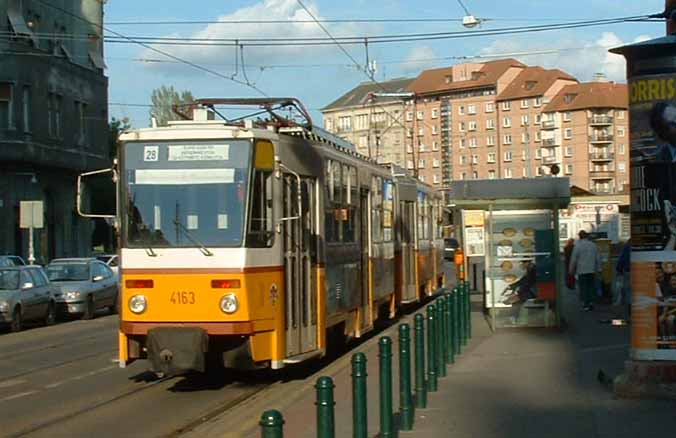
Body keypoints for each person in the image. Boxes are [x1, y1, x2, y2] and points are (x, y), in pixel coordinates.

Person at [569, 230, 602, 311]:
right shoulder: (593, 245)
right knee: (591, 287)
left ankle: (585, 304)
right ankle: (591, 303)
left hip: (582, 270)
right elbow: (598, 258)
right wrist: (599, 269)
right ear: (587, 236)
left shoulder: (577, 246)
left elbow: (573, 259)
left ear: (580, 236)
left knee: (583, 288)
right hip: (592, 270)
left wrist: (571, 270)